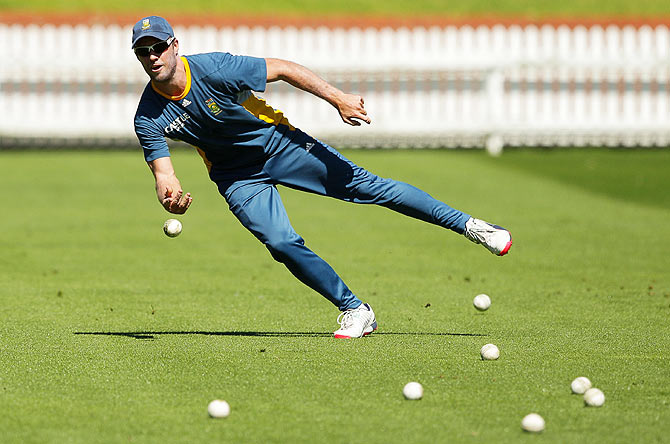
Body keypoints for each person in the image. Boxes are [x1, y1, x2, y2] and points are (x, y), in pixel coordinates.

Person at [131, 16, 512, 339]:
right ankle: (355, 309)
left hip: (279, 144)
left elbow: (283, 68)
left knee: (369, 187)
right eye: (142, 51)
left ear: (174, 45)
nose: (152, 57)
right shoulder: (147, 116)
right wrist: (171, 197)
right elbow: (164, 173)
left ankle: (473, 226)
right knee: (280, 243)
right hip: (236, 176)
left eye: (157, 47)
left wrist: (338, 98)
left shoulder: (214, 68)